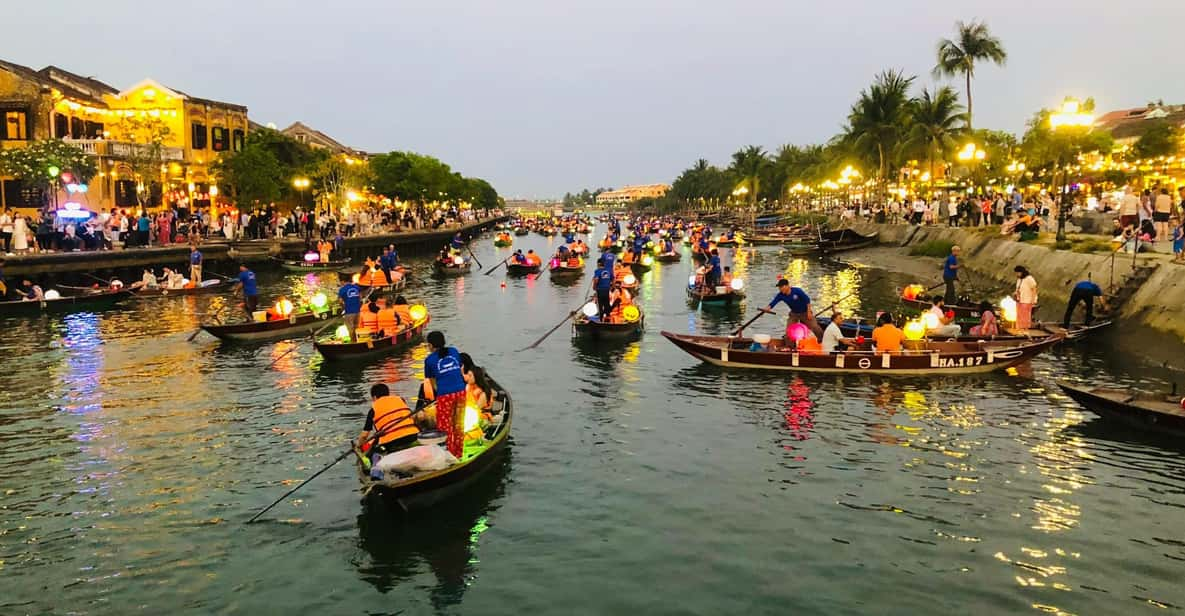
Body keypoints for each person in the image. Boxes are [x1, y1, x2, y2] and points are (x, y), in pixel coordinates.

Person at [423, 331, 467, 458]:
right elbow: (457, 369)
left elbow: (433, 382)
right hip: (461, 391)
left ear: (430, 345)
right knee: (458, 424)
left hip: (445, 394)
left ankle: (448, 454)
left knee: (444, 426)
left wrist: (440, 394)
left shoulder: (429, 360)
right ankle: (458, 454)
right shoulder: (454, 351)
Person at [357, 383, 420, 455]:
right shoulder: (400, 400)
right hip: (413, 435)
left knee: (372, 450)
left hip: (391, 443)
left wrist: (359, 447)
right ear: (388, 393)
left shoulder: (373, 410)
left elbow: (364, 435)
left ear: (374, 397)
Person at [338, 277, 363, 342]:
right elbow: (360, 299)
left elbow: (340, 301)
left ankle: (353, 342)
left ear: (343, 281)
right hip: (357, 311)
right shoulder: (357, 287)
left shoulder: (342, 289)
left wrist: (343, 308)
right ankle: (358, 341)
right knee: (356, 327)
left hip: (349, 312)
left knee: (350, 329)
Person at [1013, 265, 1038, 329]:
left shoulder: (1029, 278)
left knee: (1025, 316)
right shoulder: (1019, 279)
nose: (1017, 274)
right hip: (1019, 300)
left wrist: (1033, 300)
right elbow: (1018, 288)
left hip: (1027, 300)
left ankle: (1025, 328)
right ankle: (1019, 328)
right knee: (1019, 315)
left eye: (1018, 273)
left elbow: (1034, 289)